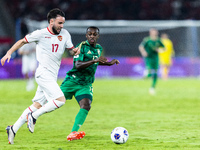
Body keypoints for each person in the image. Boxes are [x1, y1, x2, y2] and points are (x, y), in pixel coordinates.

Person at [1, 8, 79, 144]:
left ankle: (13, 128)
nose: (62, 26)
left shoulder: (65, 34)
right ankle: (34, 117)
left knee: (36, 104)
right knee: (60, 100)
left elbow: (71, 50)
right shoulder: (40, 34)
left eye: (63, 23)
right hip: (43, 74)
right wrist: (9, 53)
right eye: (59, 23)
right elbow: (22, 41)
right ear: (51, 21)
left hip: (52, 76)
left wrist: (75, 51)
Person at [60, 26, 120, 141]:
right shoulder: (81, 46)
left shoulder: (98, 48)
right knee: (54, 102)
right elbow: (78, 65)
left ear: (98, 36)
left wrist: (108, 63)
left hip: (85, 84)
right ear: (86, 36)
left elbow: (96, 62)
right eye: (90, 34)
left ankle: (73, 133)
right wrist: (95, 60)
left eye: (94, 34)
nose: (92, 36)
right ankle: (33, 114)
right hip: (73, 81)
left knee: (86, 105)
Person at [139, 28, 165, 95]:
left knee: (155, 73)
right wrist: (143, 52)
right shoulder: (147, 40)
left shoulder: (159, 40)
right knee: (149, 71)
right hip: (148, 58)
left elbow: (164, 48)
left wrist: (159, 50)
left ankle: (152, 88)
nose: (154, 33)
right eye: (152, 32)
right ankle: (146, 74)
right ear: (150, 33)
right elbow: (141, 46)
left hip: (155, 58)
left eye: (155, 32)